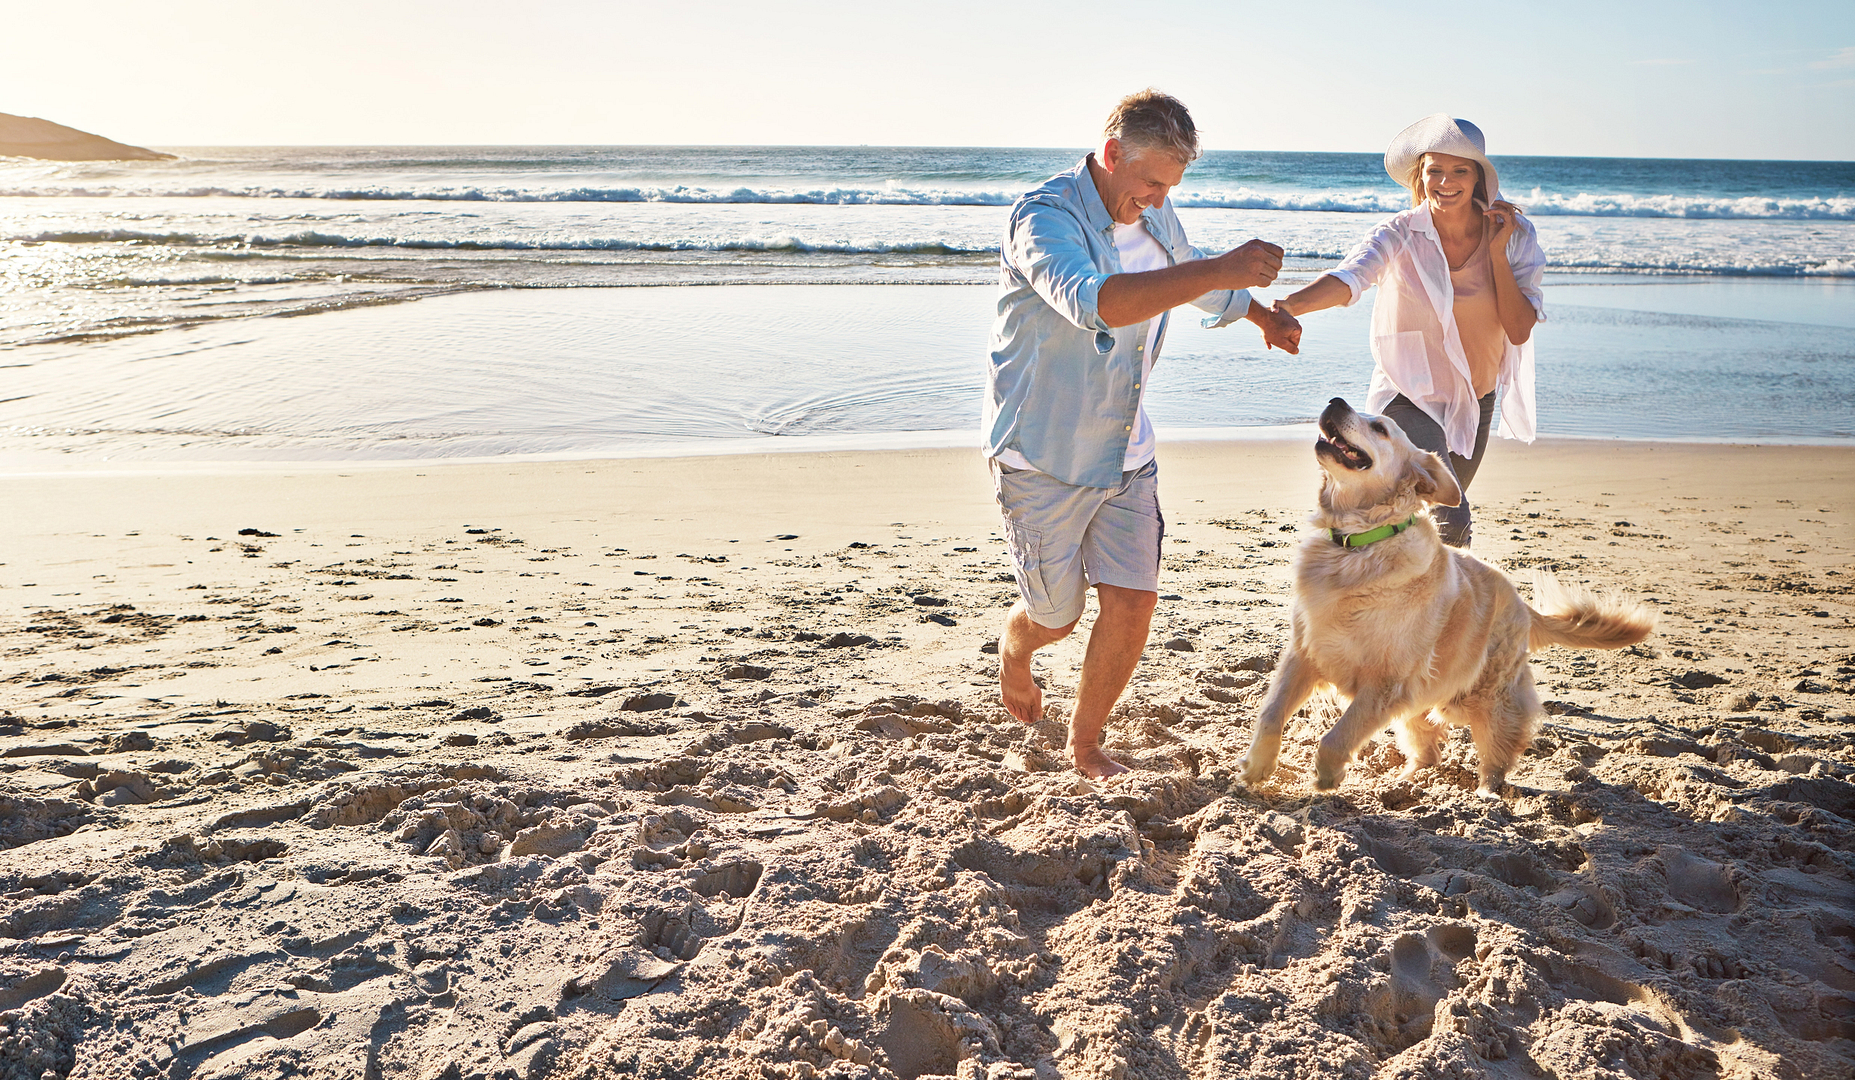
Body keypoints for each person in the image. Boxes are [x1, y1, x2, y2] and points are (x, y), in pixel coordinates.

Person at [985, 89, 1302, 779]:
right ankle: (1016, 646)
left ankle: (1084, 743)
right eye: (1151, 181)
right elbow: (1093, 303)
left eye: (1171, 185)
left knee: (1132, 604)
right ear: (1109, 155)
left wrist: (1258, 315)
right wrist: (1219, 268)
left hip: (1127, 448)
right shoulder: (1042, 219)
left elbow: (1189, 280)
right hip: (1043, 455)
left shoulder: (1155, 215)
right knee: (1056, 618)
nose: (1159, 199)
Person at [1271, 114, 1546, 547]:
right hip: (1409, 395)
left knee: (1423, 525)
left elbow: (1518, 328)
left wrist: (1495, 252)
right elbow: (1350, 278)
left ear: (1478, 178)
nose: (1445, 182)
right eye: (1434, 169)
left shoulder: (1515, 238)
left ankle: (1399, 601)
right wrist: (1289, 306)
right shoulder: (1399, 233)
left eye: (1460, 170)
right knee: (1450, 519)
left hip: (1476, 400)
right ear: (1420, 175)